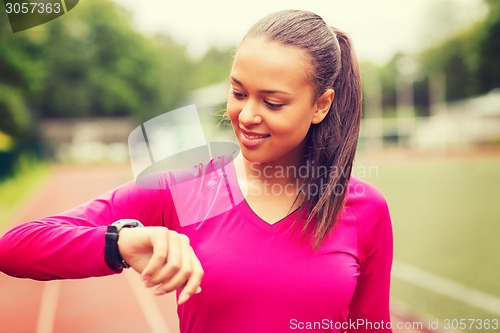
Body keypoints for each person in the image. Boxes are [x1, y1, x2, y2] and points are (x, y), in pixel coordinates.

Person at [0, 9, 393, 333]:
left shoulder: (364, 209)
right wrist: (120, 242)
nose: (247, 115)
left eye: (272, 102)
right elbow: (15, 247)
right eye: (239, 93)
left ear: (321, 105)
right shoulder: (190, 189)